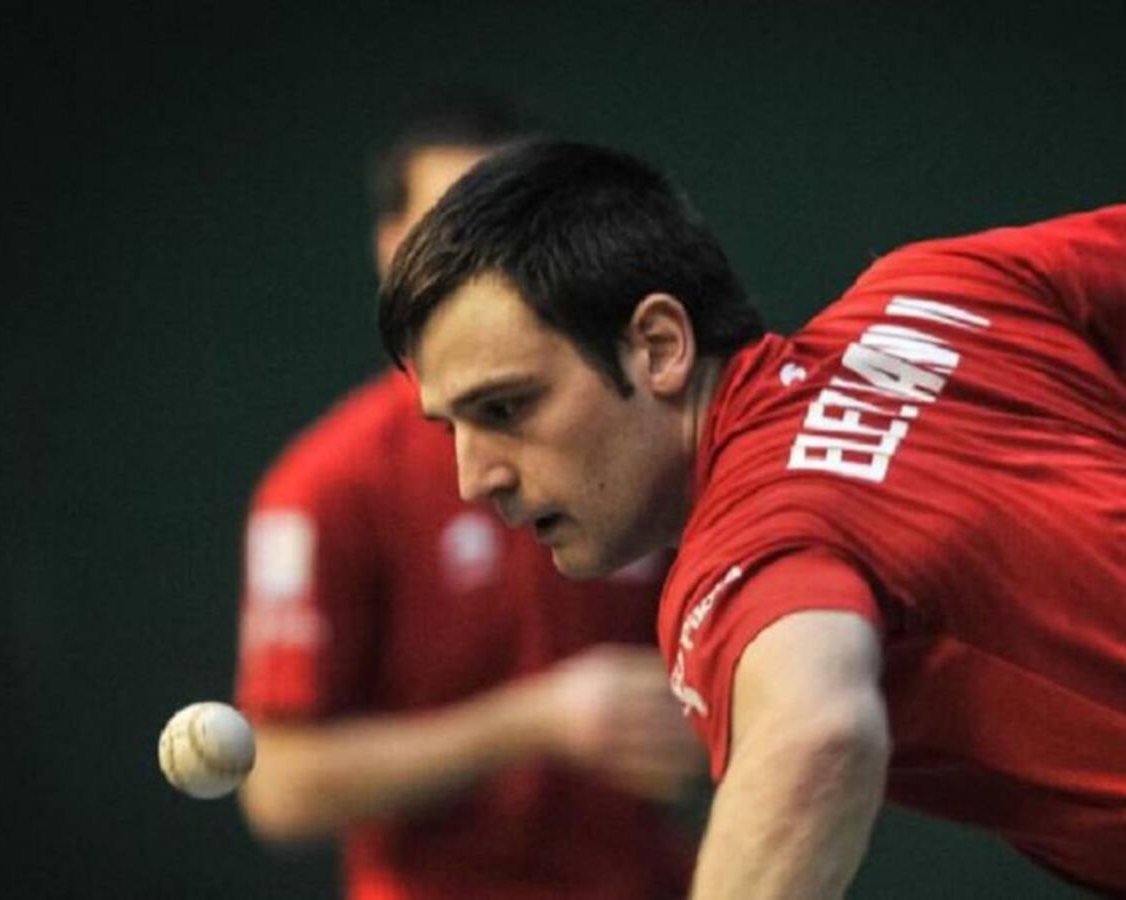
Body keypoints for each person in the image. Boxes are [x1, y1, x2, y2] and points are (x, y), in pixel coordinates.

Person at [377, 139, 1126, 898]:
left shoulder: (749, 553)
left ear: (658, 346)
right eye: (451, 428)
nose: (475, 479)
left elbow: (816, 737)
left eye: (506, 409)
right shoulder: (941, 291)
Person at [233, 105, 704, 900]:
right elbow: (278, 787)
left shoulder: (637, 434)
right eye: (452, 231)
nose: (491, 266)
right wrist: (536, 721)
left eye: (519, 233)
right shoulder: (330, 483)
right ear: (392, 249)